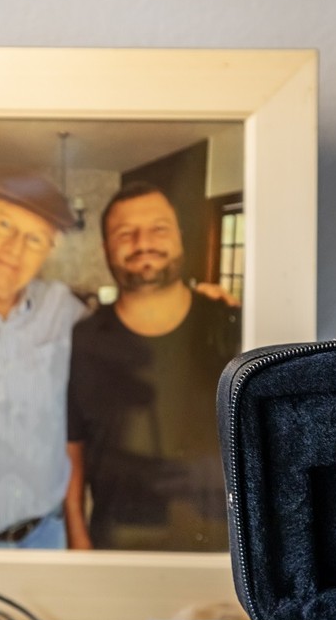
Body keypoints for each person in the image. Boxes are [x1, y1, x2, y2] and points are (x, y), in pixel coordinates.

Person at [65, 182, 241, 551]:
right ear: (106, 249)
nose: (143, 242)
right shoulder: (81, 341)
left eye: (158, 228)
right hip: (119, 547)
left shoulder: (232, 327)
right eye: (125, 233)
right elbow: (72, 451)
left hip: (223, 551)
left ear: (179, 237)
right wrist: (79, 542)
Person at [0, 167, 87, 548]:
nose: (15, 248)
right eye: (4, 224)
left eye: (35, 238)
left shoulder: (61, 308)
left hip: (47, 536)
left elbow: (119, 330)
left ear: (47, 252)